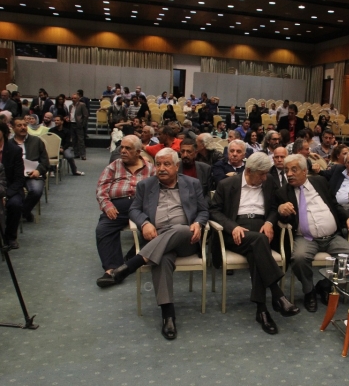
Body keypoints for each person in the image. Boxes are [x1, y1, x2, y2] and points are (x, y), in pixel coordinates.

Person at [104, 148, 208, 341]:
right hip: (156, 239)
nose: (161, 168)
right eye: (158, 164)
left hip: (186, 239)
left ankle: (132, 264)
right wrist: (144, 223)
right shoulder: (146, 185)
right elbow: (134, 210)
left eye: (167, 164)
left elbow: (203, 211)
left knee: (181, 229)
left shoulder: (192, 183)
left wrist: (198, 223)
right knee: (162, 258)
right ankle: (168, 315)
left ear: (176, 166)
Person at [210, 153, 300, 334]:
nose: (265, 178)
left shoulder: (269, 181)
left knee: (256, 251)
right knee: (259, 241)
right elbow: (214, 211)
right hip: (236, 231)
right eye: (262, 174)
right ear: (249, 170)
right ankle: (278, 295)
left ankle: (262, 310)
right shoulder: (227, 184)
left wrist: (269, 222)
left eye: (266, 173)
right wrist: (232, 227)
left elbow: (274, 207)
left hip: (261, 228)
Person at [276, 154, 349, 313]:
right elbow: (280, 217)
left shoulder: (320, 182)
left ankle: (325, 285)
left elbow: (335, 205)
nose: (289, 174)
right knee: (299, 258)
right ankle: (309, 292)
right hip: (305, 238)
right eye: (287, 171)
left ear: (304, 171)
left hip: (332, 236)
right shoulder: (283, 192)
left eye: (294, 170)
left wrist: (348, 217)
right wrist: (281, 211)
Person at [95, 136, 155, 287]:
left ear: (138, 152)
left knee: (154, 227)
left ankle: (130, 259)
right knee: (103, 228)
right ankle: (112, 270)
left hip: (141, 207)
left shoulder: (150, 169)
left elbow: (157, 191)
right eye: (122, 147)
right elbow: (101, 188)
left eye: (128, 148)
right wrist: (107, 206)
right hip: (117, 207)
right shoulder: (114, 166)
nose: (123, 151)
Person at [10, 117, 50, 223]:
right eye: (19, 125)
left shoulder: (36, 141)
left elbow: (45, 162)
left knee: (36, 191)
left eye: (24, 125)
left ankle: (22, 212)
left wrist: (38, 171)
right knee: (9, 192)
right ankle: (24, 213)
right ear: (13, 128)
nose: (23, 127)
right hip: (14, 176)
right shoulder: (9, 144)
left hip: (33, 174)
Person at [0, 121, 25, 249]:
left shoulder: (15, 150)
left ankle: (10, 237)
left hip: (11, 188)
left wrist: (5, 195)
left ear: (3, 133)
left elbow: (19, 179)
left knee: (14, 204)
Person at [69, 92, 89, 160]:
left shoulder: (82, 105)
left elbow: (85, 115)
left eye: (75, 98)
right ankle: (76, 154)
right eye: (72, 98)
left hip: (79, 124)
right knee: (74, 140)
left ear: (78, 99)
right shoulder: (70, 106)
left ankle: (83, 155)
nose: (73, 99)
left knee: (81, 141)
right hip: (72, 123)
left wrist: (83, 124)